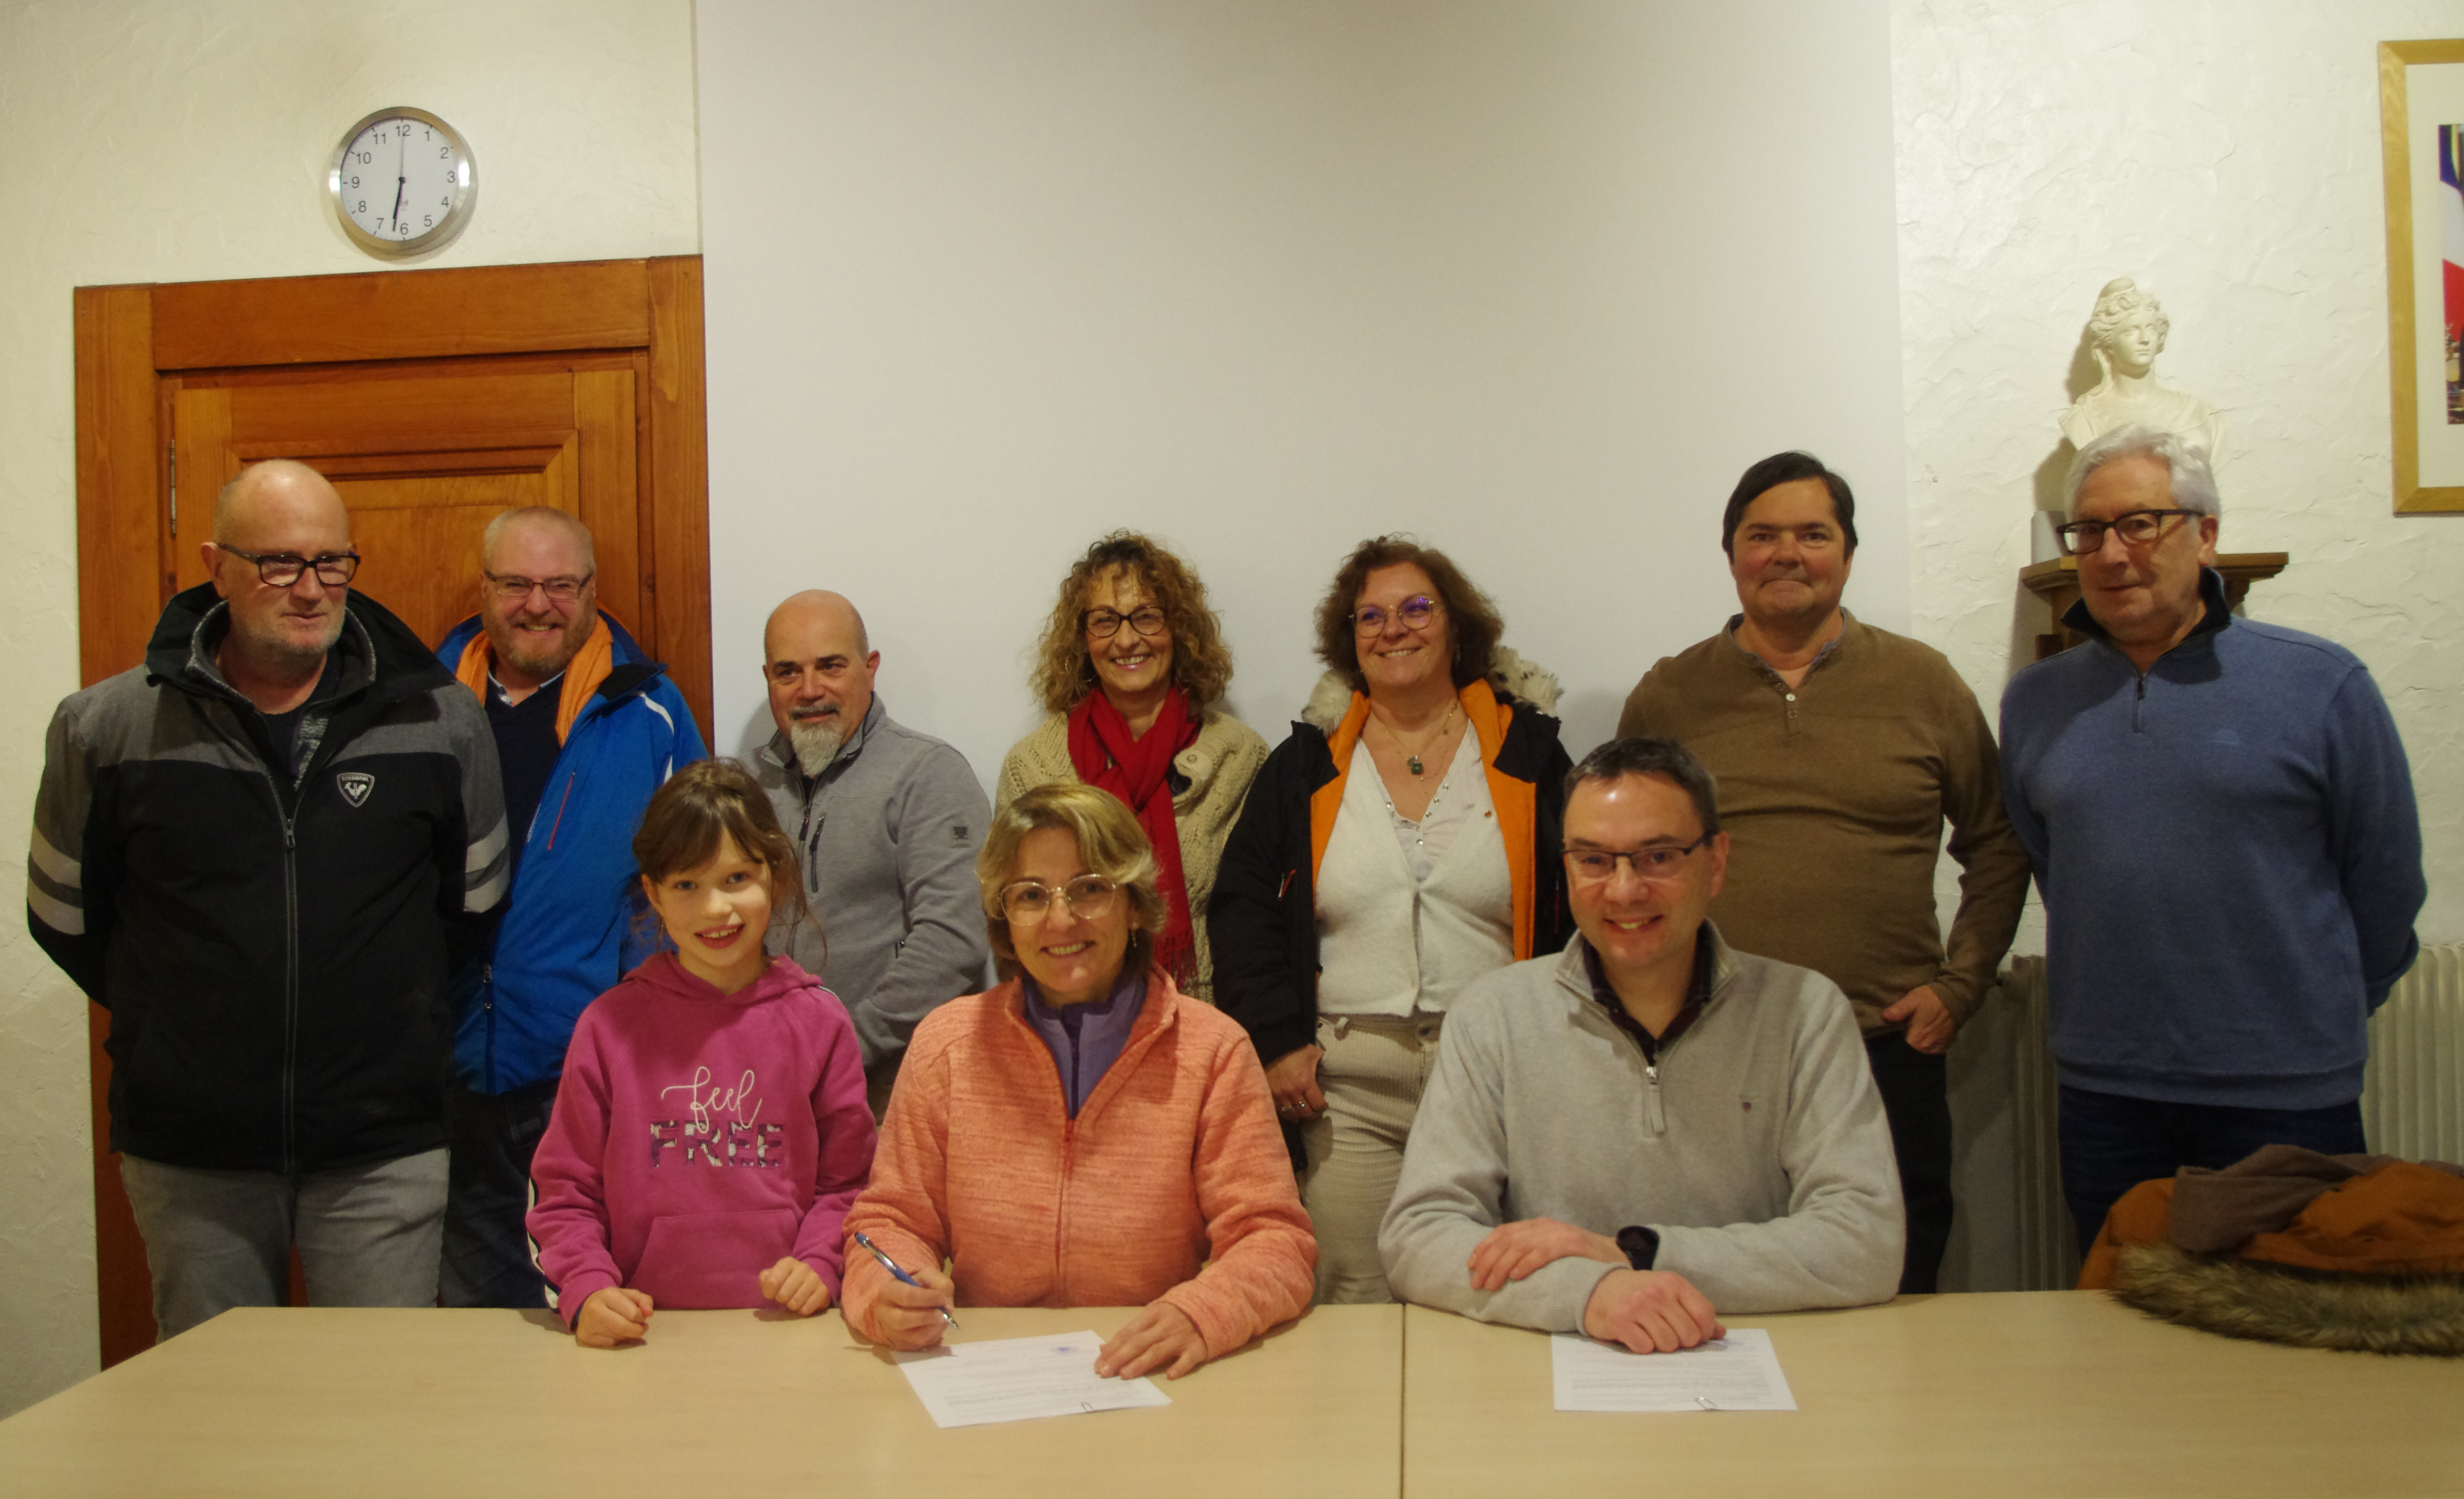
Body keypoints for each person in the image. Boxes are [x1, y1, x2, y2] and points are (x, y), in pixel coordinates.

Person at [26, 459, 506, 1337]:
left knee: (378, 1417)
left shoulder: (439, 719)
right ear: (217, 565)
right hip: (191, 1150)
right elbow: (65, 920)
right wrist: (181, 1018)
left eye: (332, 563)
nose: (311, 589)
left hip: (382, 1143)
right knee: (216, 1425)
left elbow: (472, 909)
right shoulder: (106, 728)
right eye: (279, 563)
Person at [2003, 426, 2426, 1253]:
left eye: (2139, 523)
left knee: (2289, 1342)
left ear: (2208, 534)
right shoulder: (2037, 702)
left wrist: (2312, 1012)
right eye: (2088, 531)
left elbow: (2386, 885)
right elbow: (2060, 868)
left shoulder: (2321, 684)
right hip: (2107, 1089)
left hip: (2284, 1092)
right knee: (2123, 1325)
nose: (2111, 552)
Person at [1616, 451, 2029, 1293]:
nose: (1788, 553)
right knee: (1716, 1277)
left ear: (1847, 551)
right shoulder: (1670, 695)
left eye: (1813, 533)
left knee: (1894, 1279)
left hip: (1884, 1047)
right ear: (1732, 554)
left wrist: (1962, 985)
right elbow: (1621, 857)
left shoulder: (1923, 683)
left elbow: (1998, 838)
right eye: (1762, 535)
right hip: (1714, 1050)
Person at [1379, 738, 1904, 1351]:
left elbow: (1865, 1242)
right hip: (1554, 1365)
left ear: (1716, 861)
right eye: (1594, 860)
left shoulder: (1805, 1013)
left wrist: (1634, 1254)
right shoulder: (1494, 1016)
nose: (1624, 891)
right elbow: (1419, 1239)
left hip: (1759, 1358)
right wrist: (1590, 1291)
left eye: (1658, 856)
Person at [843, 783, 1314, 1379]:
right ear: (1003, 917)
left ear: (1136, 904)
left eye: (1090, 888)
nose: (1061, 918)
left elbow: (1274, 1239)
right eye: (1031, 895)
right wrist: (890, 1292)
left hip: (1146, 1370)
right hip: (989, 1376)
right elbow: (888, 1224)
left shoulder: (1213, 1051)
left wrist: (1203, 1313)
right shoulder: (948, 1046)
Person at [1211, 536, 1574, 1304]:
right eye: (1369, 616)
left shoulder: (1527, 751)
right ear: (1350, 641)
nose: (1393, 629)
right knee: (1348, 1296)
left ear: (1456, 627)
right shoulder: (1308, 762)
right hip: (1350, 1095)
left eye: (1415, 609)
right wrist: (1276, 1042)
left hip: (1496, 1084)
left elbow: (1583, 901)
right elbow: (1242, 906)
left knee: (1497, 1291)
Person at [432, 506, 707, 1308]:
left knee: (602, 1299)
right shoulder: (417, 701)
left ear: (591, 590)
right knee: (473, 1324)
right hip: (442, 1067)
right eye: (516, 584)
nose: (538, 605)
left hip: (586, 1067)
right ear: (485, 590)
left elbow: (689, 884)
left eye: (560, 585)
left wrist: (632, 1021)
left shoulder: (649, 710)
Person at [527, 760, 877, 1346]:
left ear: (775, 875)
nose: (716, 909)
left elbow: (852, 1184)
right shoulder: (609, 1026)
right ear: (654, 894)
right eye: (688, 885)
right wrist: (586, 1288)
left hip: (791, 1334)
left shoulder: (820, 1022)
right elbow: (563, 1194)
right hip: (645, 1336)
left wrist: (821, 1262)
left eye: (737, 878)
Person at [997, 532, 1268, 1000]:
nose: (1126, 640)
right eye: (1105, 621)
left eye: (1146, 617)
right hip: (1074, 1021)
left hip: (1213, 1020)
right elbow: (1013, 921)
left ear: (1178, 628)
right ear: (1083, 638)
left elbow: (1267, 917)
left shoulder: (1240, 755)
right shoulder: (1033, 765)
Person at [755, 590, 992, 1116]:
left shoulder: (928, 774)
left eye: (831, 666)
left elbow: (954, 940)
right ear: (768, 678)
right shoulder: (746, 788)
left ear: (870, 668)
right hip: (764, 1090)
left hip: (893, 1094)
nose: (810, 690)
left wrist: (846, 1049)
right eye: (788, 672)